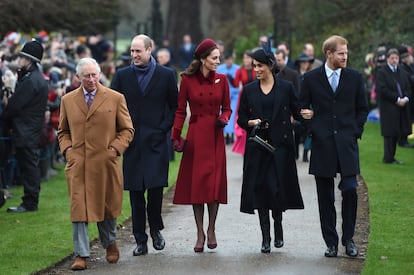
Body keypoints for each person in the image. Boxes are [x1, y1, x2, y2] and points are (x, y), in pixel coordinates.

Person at [58, 57, 134, 270]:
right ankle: (81, 254)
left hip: (105, 162)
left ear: (99, 74)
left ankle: (110, 242)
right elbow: (62, 131)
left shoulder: (115, 98)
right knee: (79, 209)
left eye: (94, 75)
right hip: (78, 164)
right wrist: (68, 150)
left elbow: (127, 129)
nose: (91, 79)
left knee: (107, 206)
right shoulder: (68, 100)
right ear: (77, 78)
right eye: (86, 76)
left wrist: (115, 149)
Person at [300, 35, 368, 258]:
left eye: (346, 52)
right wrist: (312, 127)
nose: (345, 56)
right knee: (325, 197)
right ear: (328, 54)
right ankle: (331, 242)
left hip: (347, 143)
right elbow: (302, 109)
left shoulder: (355, 77)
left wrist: (355, 132)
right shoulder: (310, 79)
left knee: (350, 189)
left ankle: (348, 239)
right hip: (322, 144)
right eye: (341, 53)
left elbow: (362, 108)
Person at [111, 34, 178, 256]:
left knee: (156, 190)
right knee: (136, 194)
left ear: (150, 50)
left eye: (138, 51)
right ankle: (140, 239)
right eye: (132, 51)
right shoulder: (122, 76)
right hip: (131, 144)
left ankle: (156, 229)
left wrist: (163, 129)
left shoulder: (166, 75)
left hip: (156, 142)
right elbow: (111, 107)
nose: (134, 55)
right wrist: (120, 135)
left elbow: (175, 107)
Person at [237, 48, 304, 253]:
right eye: (254, 66)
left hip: (280, 148)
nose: (256, 69)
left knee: (276, 189)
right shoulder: (248, 90)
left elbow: (297, 112)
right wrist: (251, 122)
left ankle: (278, 226)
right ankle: (265, 237)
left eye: (259, 66)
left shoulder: (286, 87)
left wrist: (308, 115)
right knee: (261, 190)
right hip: (258, 147)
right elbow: (240, 119)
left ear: (270, 65)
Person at [171, 38, 231, 253]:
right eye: (214, 58)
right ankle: (199, 233)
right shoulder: (187, 80)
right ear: (203, 59)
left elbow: (227, 108)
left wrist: (224, 118)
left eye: (219, 58)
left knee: (213, 185)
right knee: (198, 185)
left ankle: (212, 229)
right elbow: (180, 110)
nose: (218, 61)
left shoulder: (222, 79)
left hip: (215, 135)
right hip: (196, 136)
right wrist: (176, 135)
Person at [2, 40, 48, 213]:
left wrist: (4, 117)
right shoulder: (34, 78)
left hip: (25, 130)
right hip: (30, 128)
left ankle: (30, 202)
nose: (19, 59)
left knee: (28, 166)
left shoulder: (31, 81)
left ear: (29, 60)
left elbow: (14, 105)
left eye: (22, 57)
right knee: (30, 165)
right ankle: (30, 200)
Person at [376, 48, 412, 164]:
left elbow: (407, 87)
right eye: (392, 58)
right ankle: (388, 157)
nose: (394, 60)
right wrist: (396, 99)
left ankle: (392, 157)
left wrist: (405, 98)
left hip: (402, 106)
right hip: (389, 107)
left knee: (397, 132)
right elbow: (382, 90)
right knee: (389, 133)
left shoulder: (402, 72)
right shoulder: (382, 72)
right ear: (387, 59)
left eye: (396, 58)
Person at [232, 50, 256, 155]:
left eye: (248, 58)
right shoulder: (240, 70)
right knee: (242, 117)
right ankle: (242, 141)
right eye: (245, 58)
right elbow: (236, 84)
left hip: (255, 95)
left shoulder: (256, 69)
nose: (246, 60)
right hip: (244, 96)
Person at [216, 51, 240, 144]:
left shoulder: (237, 69)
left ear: (232, 59)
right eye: (227, 60)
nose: (228, 61)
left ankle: (231, 134)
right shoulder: (220, 69)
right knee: (222, 113)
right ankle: (224, 134)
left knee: (232, 114)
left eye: (230, 59)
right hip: (222, 95)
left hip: (234, 95)